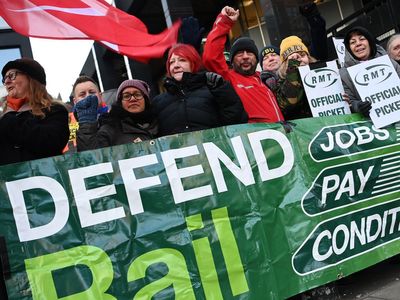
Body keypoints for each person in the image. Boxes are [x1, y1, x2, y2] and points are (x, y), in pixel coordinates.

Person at [202, 6, 283, 123]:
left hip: (283, 137)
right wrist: (225, 21)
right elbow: (210, 56)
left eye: (249, 53)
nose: (245, 56)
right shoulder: (227, 78)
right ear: (232, 61)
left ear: (256, 58)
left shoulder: (266, 79)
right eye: (240, 54)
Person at [152, 43, 247, 136]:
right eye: (172, 62)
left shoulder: (213, 90)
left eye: (182, 60)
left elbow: (237, 122)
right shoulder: (158, 102)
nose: (176, 65)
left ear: (194, 63)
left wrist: (223, 92)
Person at [0, 58, 69, 166]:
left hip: (45, 180)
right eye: (4, 79)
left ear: (31, 78)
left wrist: (9, 118)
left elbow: (51, 143)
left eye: (12, 75)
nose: (7, 81)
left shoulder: (55, 110)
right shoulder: (2, 117)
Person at [75, 79, 158, 151]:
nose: (133, 99)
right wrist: (87, 125)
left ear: (146, 99)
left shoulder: (160, 120)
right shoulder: (110, 129)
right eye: (126, 96)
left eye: (137, 94)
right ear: (120, 102)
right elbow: (91, 157)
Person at [340, 26, 400, 116]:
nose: (358, 44)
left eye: (362, 39)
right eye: (353, 42)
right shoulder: (344, 74)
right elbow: (351, 102)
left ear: (370, 42)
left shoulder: (389, 62)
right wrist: (358, 107)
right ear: (349, 49)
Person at [275, 36, 317, 120]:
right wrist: (293, 67)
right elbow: (290, 102)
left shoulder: (322, 74)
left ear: (308, 58)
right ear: (285, 64)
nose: (300, 59)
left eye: (302, 55)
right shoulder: (279, 84)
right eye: (292, 58)